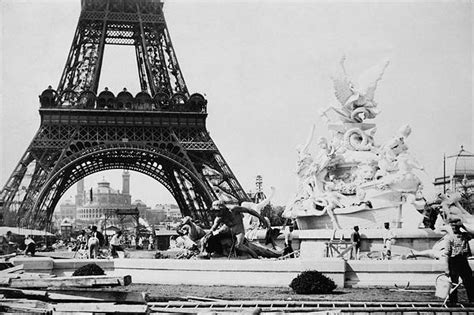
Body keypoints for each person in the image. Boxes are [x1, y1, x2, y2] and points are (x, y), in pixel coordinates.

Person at [442, 217, 474, 306]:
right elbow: (447, 254)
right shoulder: (449, 238)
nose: (454, 228)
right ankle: (453, 301)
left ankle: (472, 299)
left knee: (469, 280)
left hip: (463, 260)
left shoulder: (465, 236)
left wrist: (463, 226)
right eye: (452, 226)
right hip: (454, 261)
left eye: (456, 226)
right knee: (453, 282)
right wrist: (446, 268)